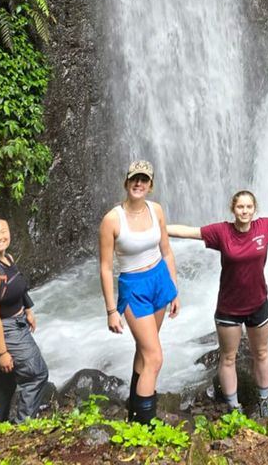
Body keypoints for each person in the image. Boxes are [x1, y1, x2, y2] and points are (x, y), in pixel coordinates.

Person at [167, 191, 268, 420]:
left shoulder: (264, 227)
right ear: (233, 209)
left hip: (258, 304)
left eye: (249, 207)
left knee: (262, 353)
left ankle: (264, 400)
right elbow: (190, 232)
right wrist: (159, 227)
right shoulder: (221, 231)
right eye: (240, 207)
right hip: (228, 307)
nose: (244, 211)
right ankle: (234, 407)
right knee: (228, 357)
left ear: (254, 209)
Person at [98, 159, 180, 423]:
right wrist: (112, 310)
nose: (138, 183)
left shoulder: (156, 210)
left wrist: (174, 290)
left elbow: (166, 251)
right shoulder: (112, 219)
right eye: (134, 178)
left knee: (145, 350)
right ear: (126, 182)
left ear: (150, 185)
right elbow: (105, 268)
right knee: (155, 357)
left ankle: (134, 412)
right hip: (134, 287)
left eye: (144, 179)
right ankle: (144, 427)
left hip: (159, 280)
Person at [0, 217, 49, 423]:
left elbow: (17, 285)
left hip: (18, 322)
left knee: (6, 379)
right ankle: (23, 426)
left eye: (3, 231)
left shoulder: (7, 258)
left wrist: (28, 309)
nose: (0, 237)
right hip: (7, 329)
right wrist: (2, 353)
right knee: (37, 375)